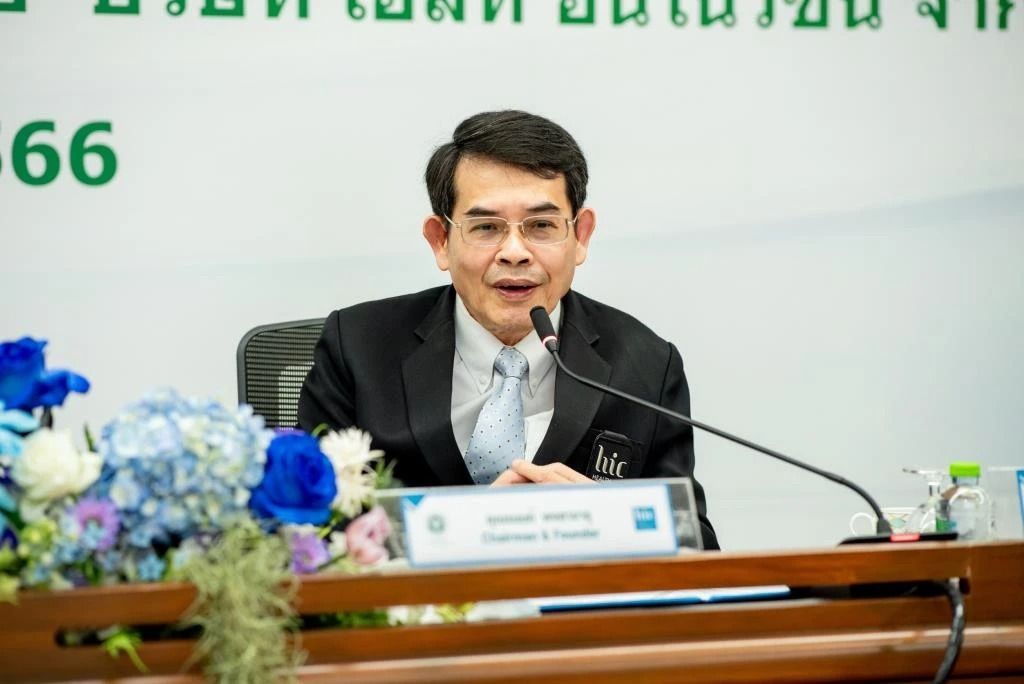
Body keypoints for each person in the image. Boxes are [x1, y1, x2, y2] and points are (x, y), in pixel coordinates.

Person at [299, 110, 718, 549]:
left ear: (581, 236)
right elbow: (306, 536)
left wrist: (610, 521)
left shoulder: (646, 366)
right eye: (486, 227)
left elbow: (698, 548)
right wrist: (472, 527)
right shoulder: (358, 347)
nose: (515, 252)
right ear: (440, 241)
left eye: (541, 226)